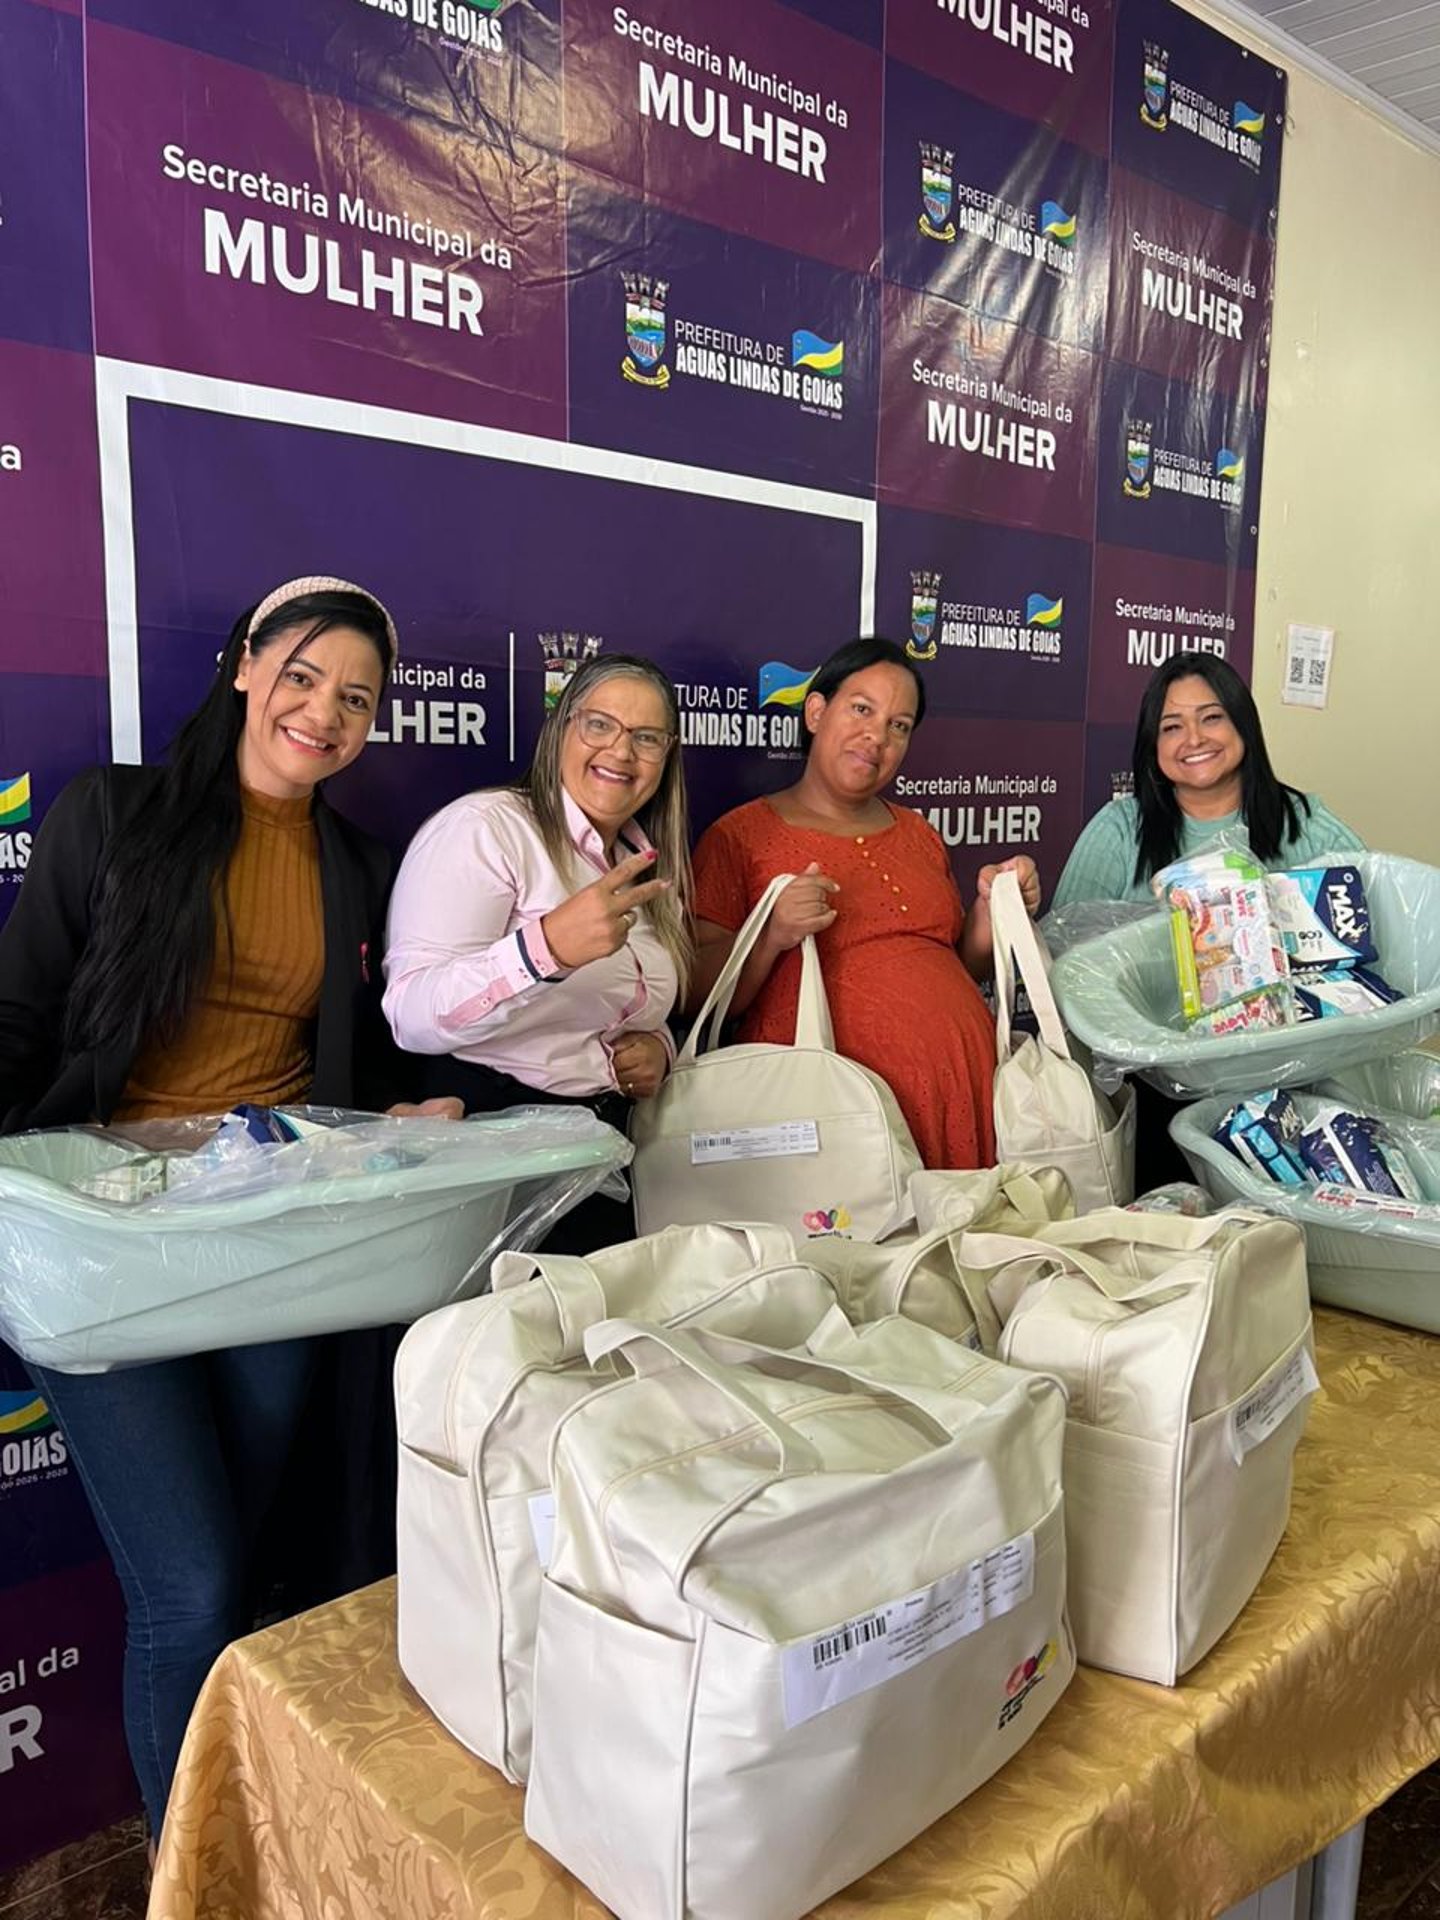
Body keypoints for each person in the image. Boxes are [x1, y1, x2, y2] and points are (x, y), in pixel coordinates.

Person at [0, 576, 457, 1844]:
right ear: (245, 665)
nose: (323, 712)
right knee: (191, 1589)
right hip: (108, 1254)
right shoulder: (114, 815)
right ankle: (188, 1869)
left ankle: (245, 1844)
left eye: (356, 699)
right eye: (303, 676)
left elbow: (370, 1063)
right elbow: (21, 1019)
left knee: (244, 1566)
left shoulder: (361, 871)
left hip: (280, 1255)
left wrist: (409, 1119)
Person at [688, 637, 1040, 1171]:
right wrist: (771, 934)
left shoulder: (918, 832)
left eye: (899, 726)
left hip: (965, 1099)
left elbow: (957, 963)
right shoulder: (740, 836)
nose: (877, 737)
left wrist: (993, 910)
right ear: (814, 712)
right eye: (861, 709)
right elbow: (695, 994)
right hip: (834, 1124)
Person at [383, 652, 692, 1238]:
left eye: (646, 737)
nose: (621, 751)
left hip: (608, 1150)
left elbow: (634, 1011)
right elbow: (412, 1018)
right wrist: (544, 949)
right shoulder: (487, 829)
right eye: (600, 725)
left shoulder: (643, 864)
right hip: (492, 1146)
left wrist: (659, 1049)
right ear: (561, 729)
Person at [1052, 654, 1364, 908]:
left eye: (1212, 718)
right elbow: (1062, 950)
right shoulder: (1118, 830)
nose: (1195, 739)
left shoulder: (1305, 825)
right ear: (1153, 746)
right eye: (1172, 727)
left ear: (1243, 725)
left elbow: (1378, 921)